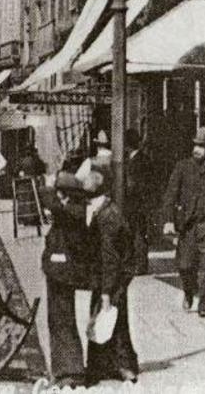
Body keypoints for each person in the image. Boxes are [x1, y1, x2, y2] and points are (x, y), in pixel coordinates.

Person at [161, 126, 205, 318]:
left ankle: (204, 306)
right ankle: (188, 291)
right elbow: (170, 195)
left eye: (201, 146)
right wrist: (168, 220)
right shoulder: (182, 167)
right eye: (195, 145)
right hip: (188, 226)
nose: (196, 149)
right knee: (185, 266)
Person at [82, 164, 139, 385]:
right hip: (112, 274)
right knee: (107, 317)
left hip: (114, 275)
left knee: (110, 316)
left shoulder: (107, 217)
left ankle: (121, 366)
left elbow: (110, 258)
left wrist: (106, 289)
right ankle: (108, 365)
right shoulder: (107, 210)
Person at [38, 171, 93, 386]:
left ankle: (69, 371)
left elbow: (47, 198)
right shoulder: (74, 209)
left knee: (62, 320)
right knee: (60, 320)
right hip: (60, 271)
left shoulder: (72, 211)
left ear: (65, 193)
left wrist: (49, 185)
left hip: (63, 273)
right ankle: (67, 368)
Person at [124, 128, 151, 275]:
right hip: (141, 203)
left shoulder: (135, 161)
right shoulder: (143, 158)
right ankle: (139, 263)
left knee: (137, 233)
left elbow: (134, 184)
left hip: (136, 203)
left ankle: (139, 265)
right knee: (139, 233)